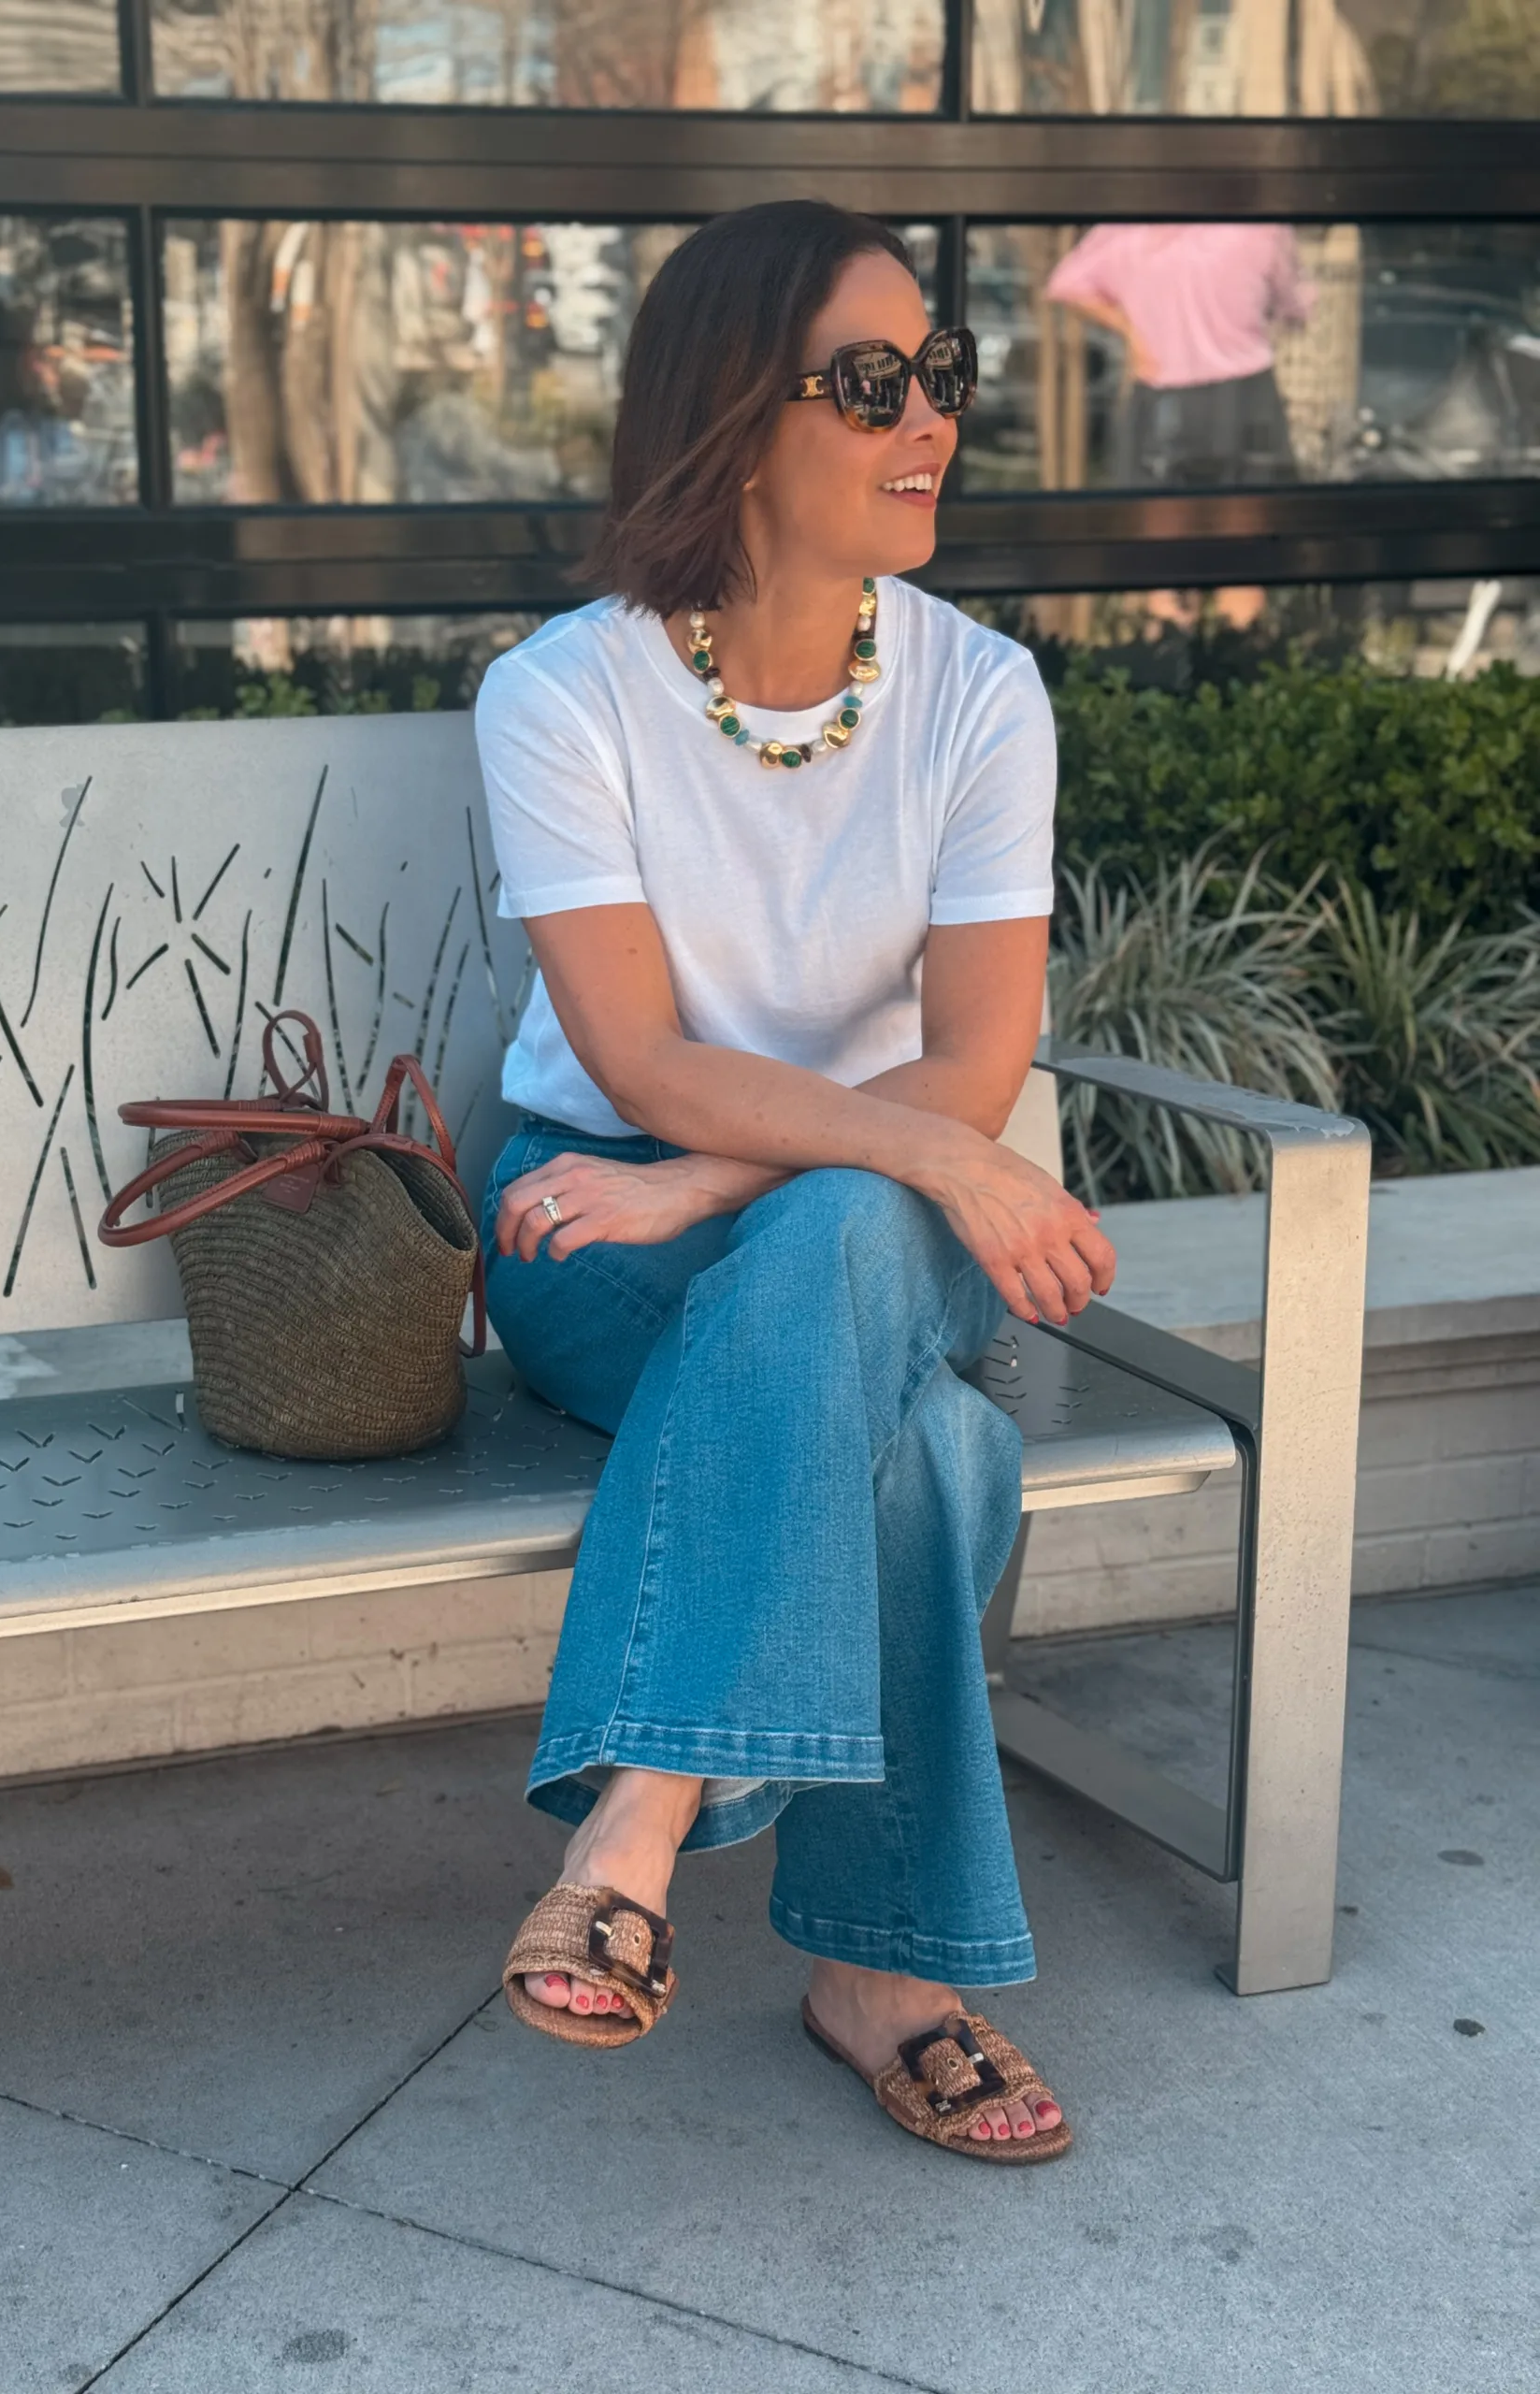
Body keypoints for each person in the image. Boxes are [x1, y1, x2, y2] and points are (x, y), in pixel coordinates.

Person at [475, 200, 1114, 2165]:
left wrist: (725, 1181)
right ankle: (887, 1975)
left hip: (862, 1209)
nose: (928, 417)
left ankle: (642, 1810)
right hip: (594, 1218)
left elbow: (979, 1055)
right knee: (937, 1454)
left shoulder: (980, 690)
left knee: (838, 1227)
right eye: (870, 381)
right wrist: (689, 1176)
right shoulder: (563, 694)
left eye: (945, 375)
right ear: (739, 422)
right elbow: (643, 1058)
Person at [1046, 221, 1311, 627]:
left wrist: (1131, 329)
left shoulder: (1128, 231)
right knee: (1245, 555)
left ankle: (1169, 674)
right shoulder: (1259, 227)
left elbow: (1066, 283)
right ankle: (1238, 671)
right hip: (1244, 397)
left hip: (1164, 397)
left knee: (1160, 559)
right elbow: (1296, 305)